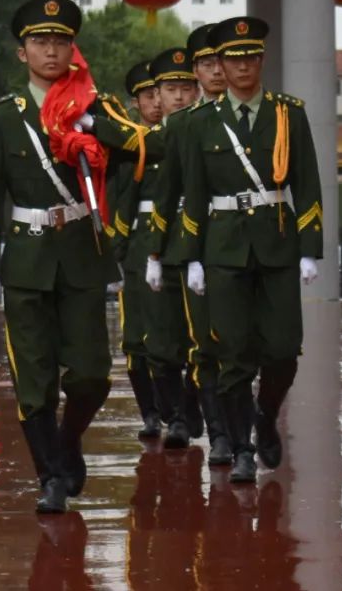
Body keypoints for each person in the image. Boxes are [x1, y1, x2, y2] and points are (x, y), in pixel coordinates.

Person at [0, 0, 152, 514]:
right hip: (27, 258)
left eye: (60, 41)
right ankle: (50, 474)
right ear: (21, 52)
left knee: (92, 373)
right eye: (39, 41)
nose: (50, 50)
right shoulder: (3, 118)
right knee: (34, 379)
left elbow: (145, 150)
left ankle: (68, 439)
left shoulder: (97, 109)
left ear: (73, 50)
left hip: (80, 253)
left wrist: (98, 124)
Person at [177, 17, 324, 482]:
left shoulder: (288, 112)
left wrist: (309, 246)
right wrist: (193, 256)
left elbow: (308, 182)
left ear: (262, 60)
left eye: (251, 57)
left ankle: (265, 414)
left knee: (283, 349)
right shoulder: (199, 122)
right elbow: (194, 192)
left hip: (278, 242)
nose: (243, 66)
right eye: (233, 58)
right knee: (233, 352)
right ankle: (241, 447)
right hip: (223, 247)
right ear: (219, 64)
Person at [147, 24, 232, 467]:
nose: (215, 71)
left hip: (235, 245)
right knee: (187, 344)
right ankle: (203, 425)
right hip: (186, 246)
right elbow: (164, 189)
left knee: (238, 345)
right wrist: (155, 252)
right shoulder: (181, 126)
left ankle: (239, 423)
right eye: (205, 64)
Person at [129, 46, 204, 451]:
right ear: (155, 95)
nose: (177, 97)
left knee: (202, 340)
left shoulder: (206, 131)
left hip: (197, 241)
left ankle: (190, 409)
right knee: (159, 342)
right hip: (153, 243)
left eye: (185, 88)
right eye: (169, 89)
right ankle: (173, 414)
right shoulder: (144, 142)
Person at [108, 61, 164, 441]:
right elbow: (114, 197)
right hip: (137, 245)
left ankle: (178, 409)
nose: (157, 102)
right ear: (135, 103)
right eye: (148, 96)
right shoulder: (126, 148)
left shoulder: (183, 134)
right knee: (136, 337)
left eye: (161, 94)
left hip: (176, 238)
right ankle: (150, 412)